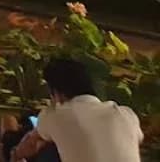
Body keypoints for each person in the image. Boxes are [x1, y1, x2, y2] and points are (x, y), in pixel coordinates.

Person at [8, 57, 143, 162]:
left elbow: (30, 143)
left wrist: (16, 155)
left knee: (40, 148)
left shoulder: (56, 115)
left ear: (57, 93)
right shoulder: (126, 114)